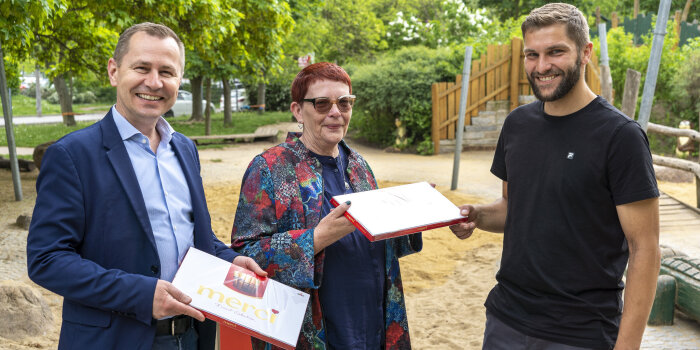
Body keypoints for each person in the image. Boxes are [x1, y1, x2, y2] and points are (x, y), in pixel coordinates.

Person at [26, 22, 265, 350]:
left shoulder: (185, 148)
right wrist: (139, 294)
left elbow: (188, 233)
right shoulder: (71, 155)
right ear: (114, 71)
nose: (154, 82)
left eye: (167, 71)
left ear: (178, 80)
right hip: (113, 340)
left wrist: (227, 259)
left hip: (191, 336)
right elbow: (47, 259)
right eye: (141, 67)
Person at [449, 3, 660, 349]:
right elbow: (512, 207)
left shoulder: (620, 136)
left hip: (581, 334)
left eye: (555, 52)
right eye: (532, 55)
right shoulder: (517, 125)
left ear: (585, 53)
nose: (542, 66)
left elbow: (645, 250)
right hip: (505, 321)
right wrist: (477, 215)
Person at [231, 62, 422, 349]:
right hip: (314, 329)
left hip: (372, 322)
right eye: (322, 104)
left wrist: (418, 215)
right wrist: (316, 239)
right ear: (298, 111)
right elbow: (245, 256)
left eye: (344, 103)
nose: (336, 112)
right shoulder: (269, 168)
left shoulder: (359, 166)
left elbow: (379, 243)